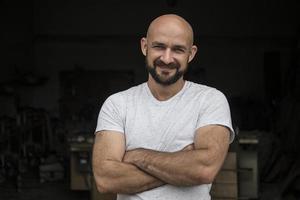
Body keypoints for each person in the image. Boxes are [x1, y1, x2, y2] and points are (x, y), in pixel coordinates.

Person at [92, 14, 234, 200]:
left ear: (191, 54)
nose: (167, 59)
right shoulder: (117, 104)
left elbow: (204, 169)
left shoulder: (210, 100)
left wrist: (137, 157)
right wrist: (181, 167)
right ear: (144, 46)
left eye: (178, 50)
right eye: (159, 46)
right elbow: (106, 180)